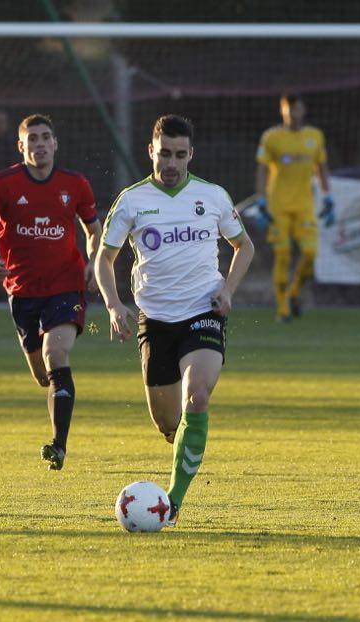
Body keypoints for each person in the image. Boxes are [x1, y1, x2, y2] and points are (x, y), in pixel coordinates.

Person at [95, 114, 255, 527]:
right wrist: (114, 304)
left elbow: (244, 246)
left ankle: (174, 503)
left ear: (190, 155)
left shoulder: (213, 196)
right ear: (151, 151)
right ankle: (179, 441)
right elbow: (105, 257)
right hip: (156, 321)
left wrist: (227, 291)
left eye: (179, 155)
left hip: (204, 312)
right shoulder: (132, 200)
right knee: (168, 422)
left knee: (197, 396)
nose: (171, 162)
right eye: (164, 153)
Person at [0, 114, 101, 471]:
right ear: (21, 146)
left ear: (55, 143)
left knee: (55, 354)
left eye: (46, 137)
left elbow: (93, 230)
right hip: (22, 290)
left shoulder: (75, 184)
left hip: (66, 284)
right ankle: (57, 403)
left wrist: (93, 261)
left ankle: (59, 445)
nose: (40, 144)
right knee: (43, 376)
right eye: (33, 139)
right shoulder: (1, 183)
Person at [253, 93, 333, 322]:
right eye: (288, 109)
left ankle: (294, 292)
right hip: (278, 206)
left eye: (296, 108)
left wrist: (328, 197)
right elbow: (262, 169)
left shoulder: (315, 137)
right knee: (283, 254)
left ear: (303, 109)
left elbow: (321, 167)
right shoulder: (272, 137)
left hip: (304, 205)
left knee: (310, 253)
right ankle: (283, 309)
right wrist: (261, 200)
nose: (292, 113)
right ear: (282, 111)